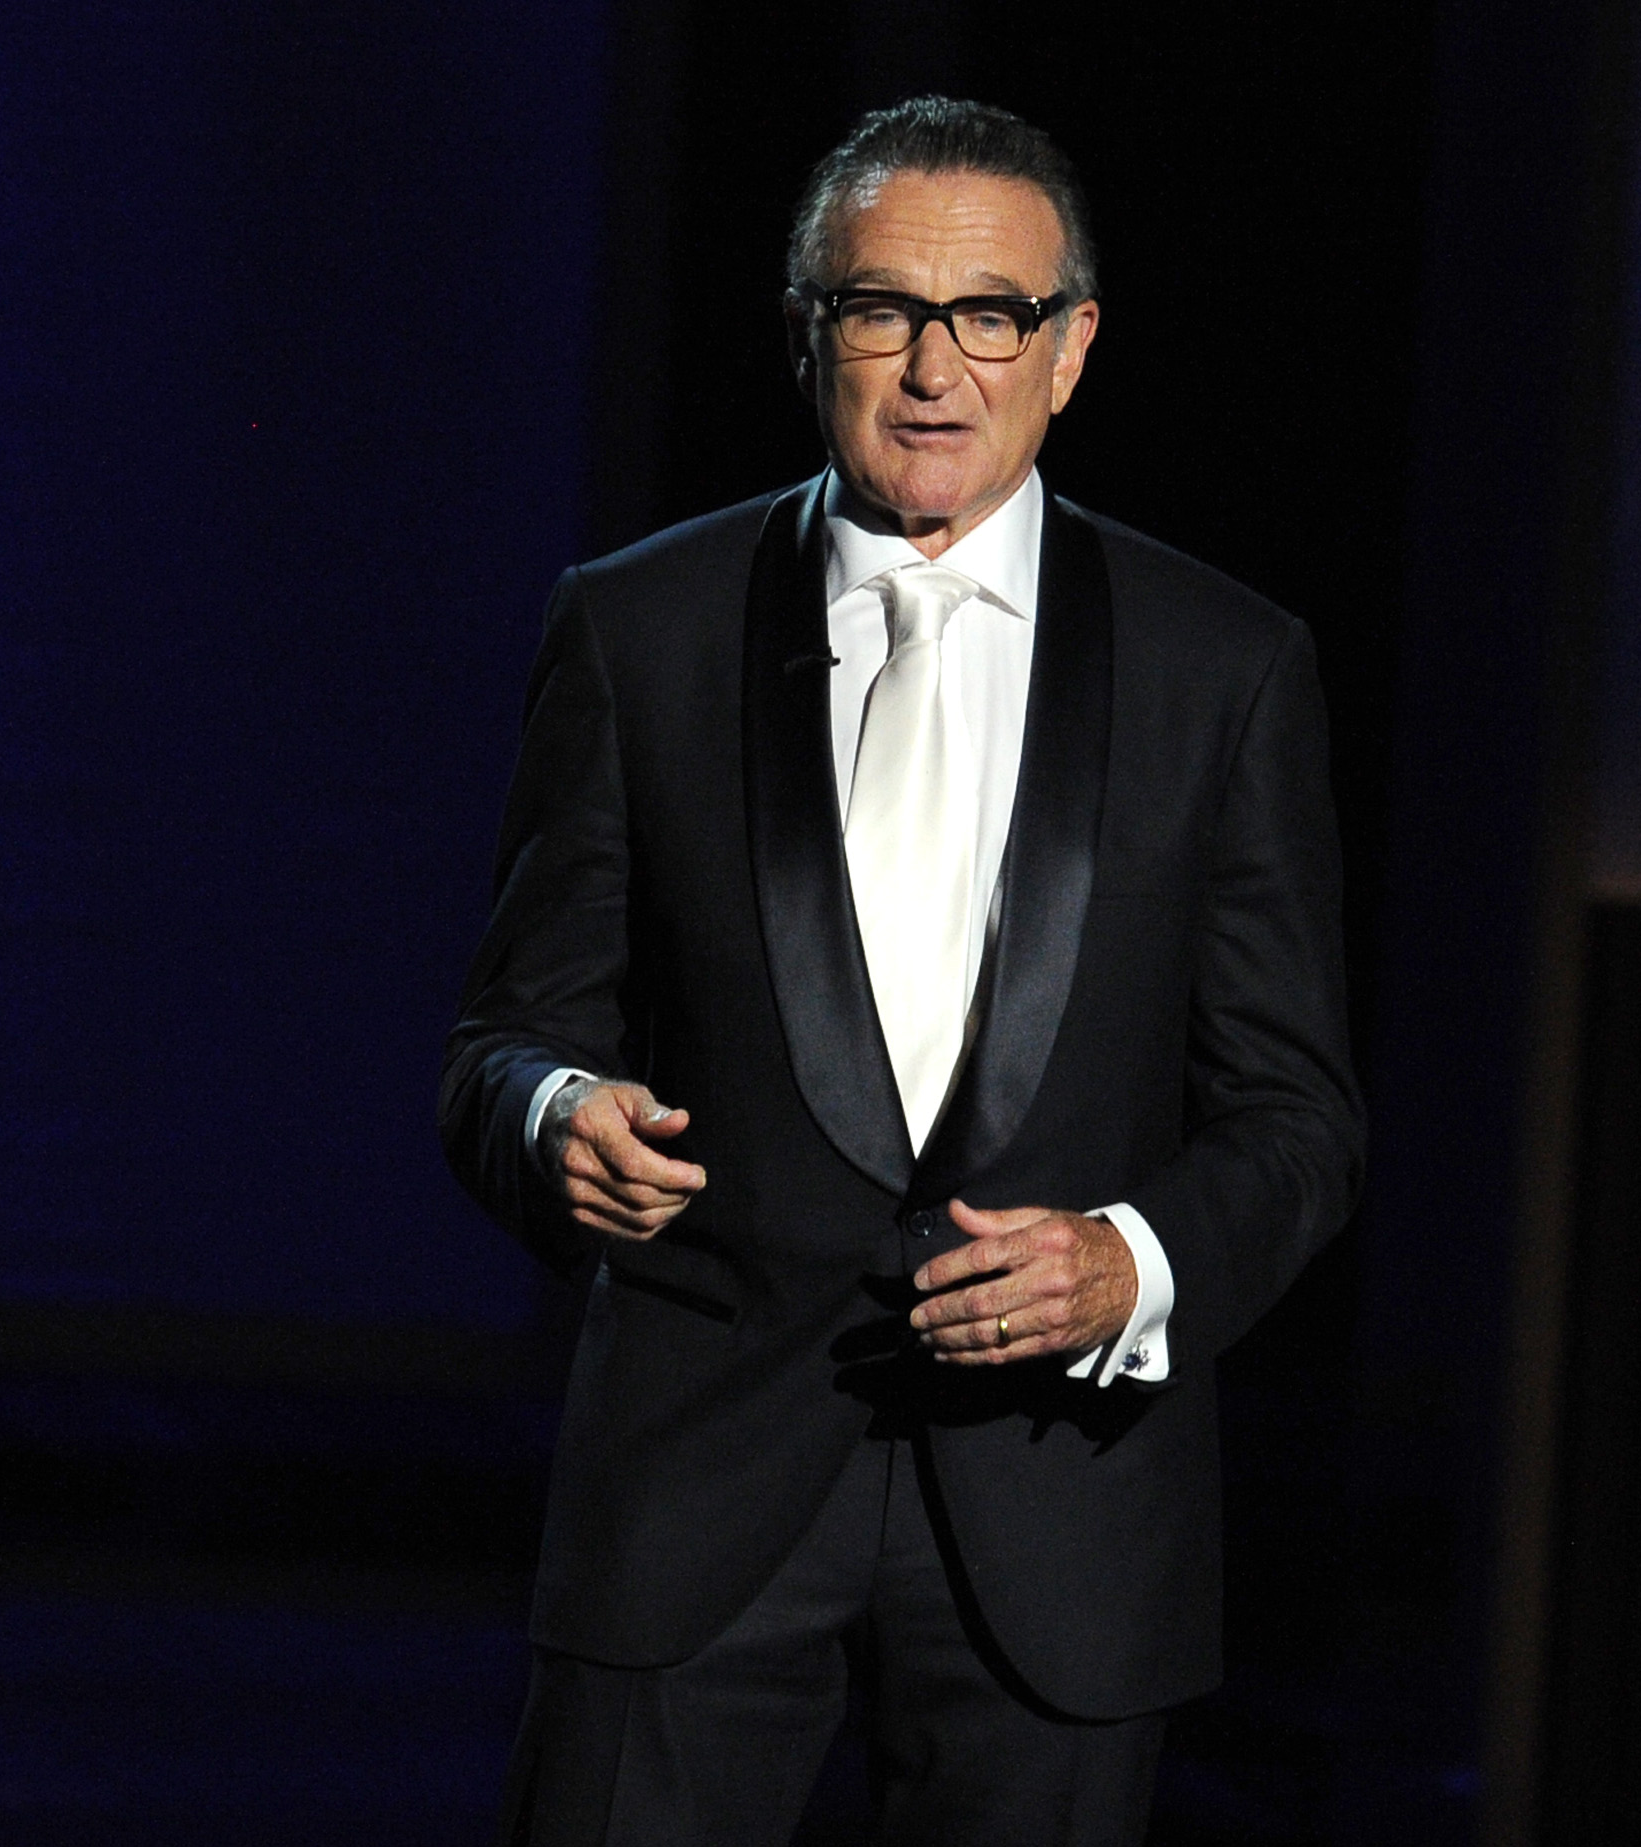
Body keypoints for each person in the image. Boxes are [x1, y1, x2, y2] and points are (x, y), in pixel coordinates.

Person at [439, 97, 1364, 1846]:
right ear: (811, 333)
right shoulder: (639, 628)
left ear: (1072, 346)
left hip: (1063, 1509)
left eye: (993, 315)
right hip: (695, 1490)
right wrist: (552, 1115)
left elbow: (1297, 1118)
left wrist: (1131, 1264)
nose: (939, 368)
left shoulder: (1222, 666)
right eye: (886, 311)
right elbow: (502, 1040)